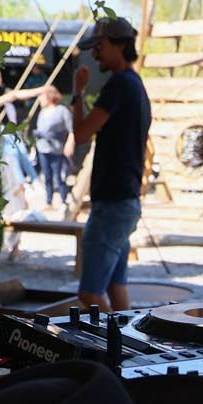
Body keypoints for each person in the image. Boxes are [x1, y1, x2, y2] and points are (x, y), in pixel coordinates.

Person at [70, 17, 151, 312]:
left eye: (99, 47)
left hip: (112, 204)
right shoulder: (136, 84)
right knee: (117, 288)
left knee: (90, 294)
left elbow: (80, 134)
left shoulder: (119, 85)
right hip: (126, 200)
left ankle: (111, 354)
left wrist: (78, 92)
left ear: (120, 45)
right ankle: (129, 353)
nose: (94, 54)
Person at [32, 85, 74, 210]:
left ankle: (63, 200)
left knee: (59, 176)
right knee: (47, 176)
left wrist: (69, 143)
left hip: (57, 148)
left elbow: (70, 130)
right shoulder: (42, 112)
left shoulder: (62, 110)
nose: (40, 99)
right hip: (42, 148)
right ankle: (49, 201)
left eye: (42, 96)